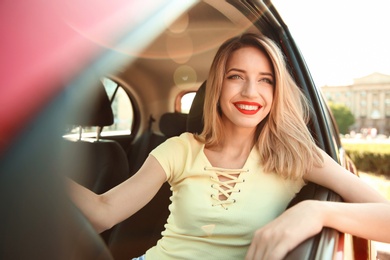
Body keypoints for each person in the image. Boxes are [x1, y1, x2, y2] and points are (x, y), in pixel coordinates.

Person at [67, 33, 390, 260]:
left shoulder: (296, 156)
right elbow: (102, 214)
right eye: (237, 76)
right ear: (217, 87)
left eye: (266, 79)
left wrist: (317, 211)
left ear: (277, 92)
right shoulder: (180, 149)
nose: (251, 91)